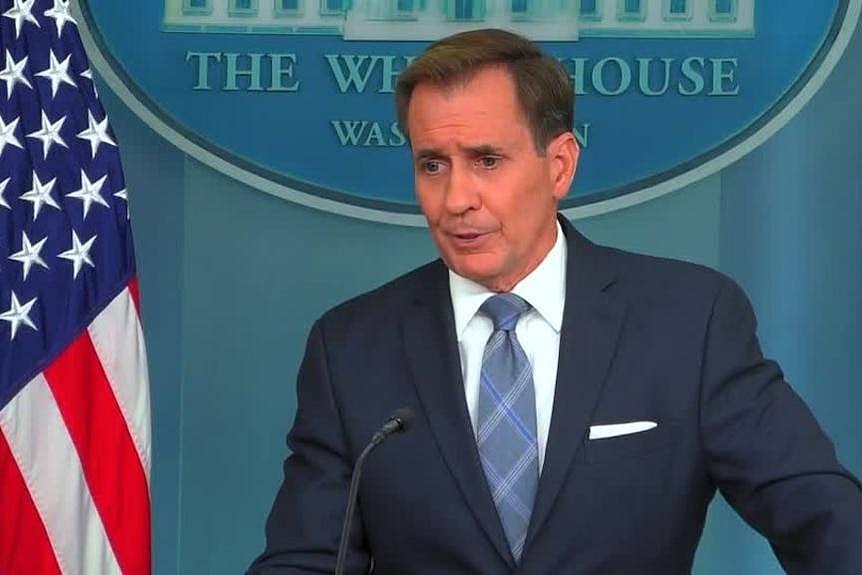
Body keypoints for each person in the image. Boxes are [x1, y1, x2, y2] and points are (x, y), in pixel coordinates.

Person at [248, 29, 862, 574]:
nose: (456, 197)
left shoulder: (688, 322)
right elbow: (306, 558)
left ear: (560, 165)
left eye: (486, 160)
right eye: (432, 164)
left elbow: (822, 517)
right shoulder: (352, 346)